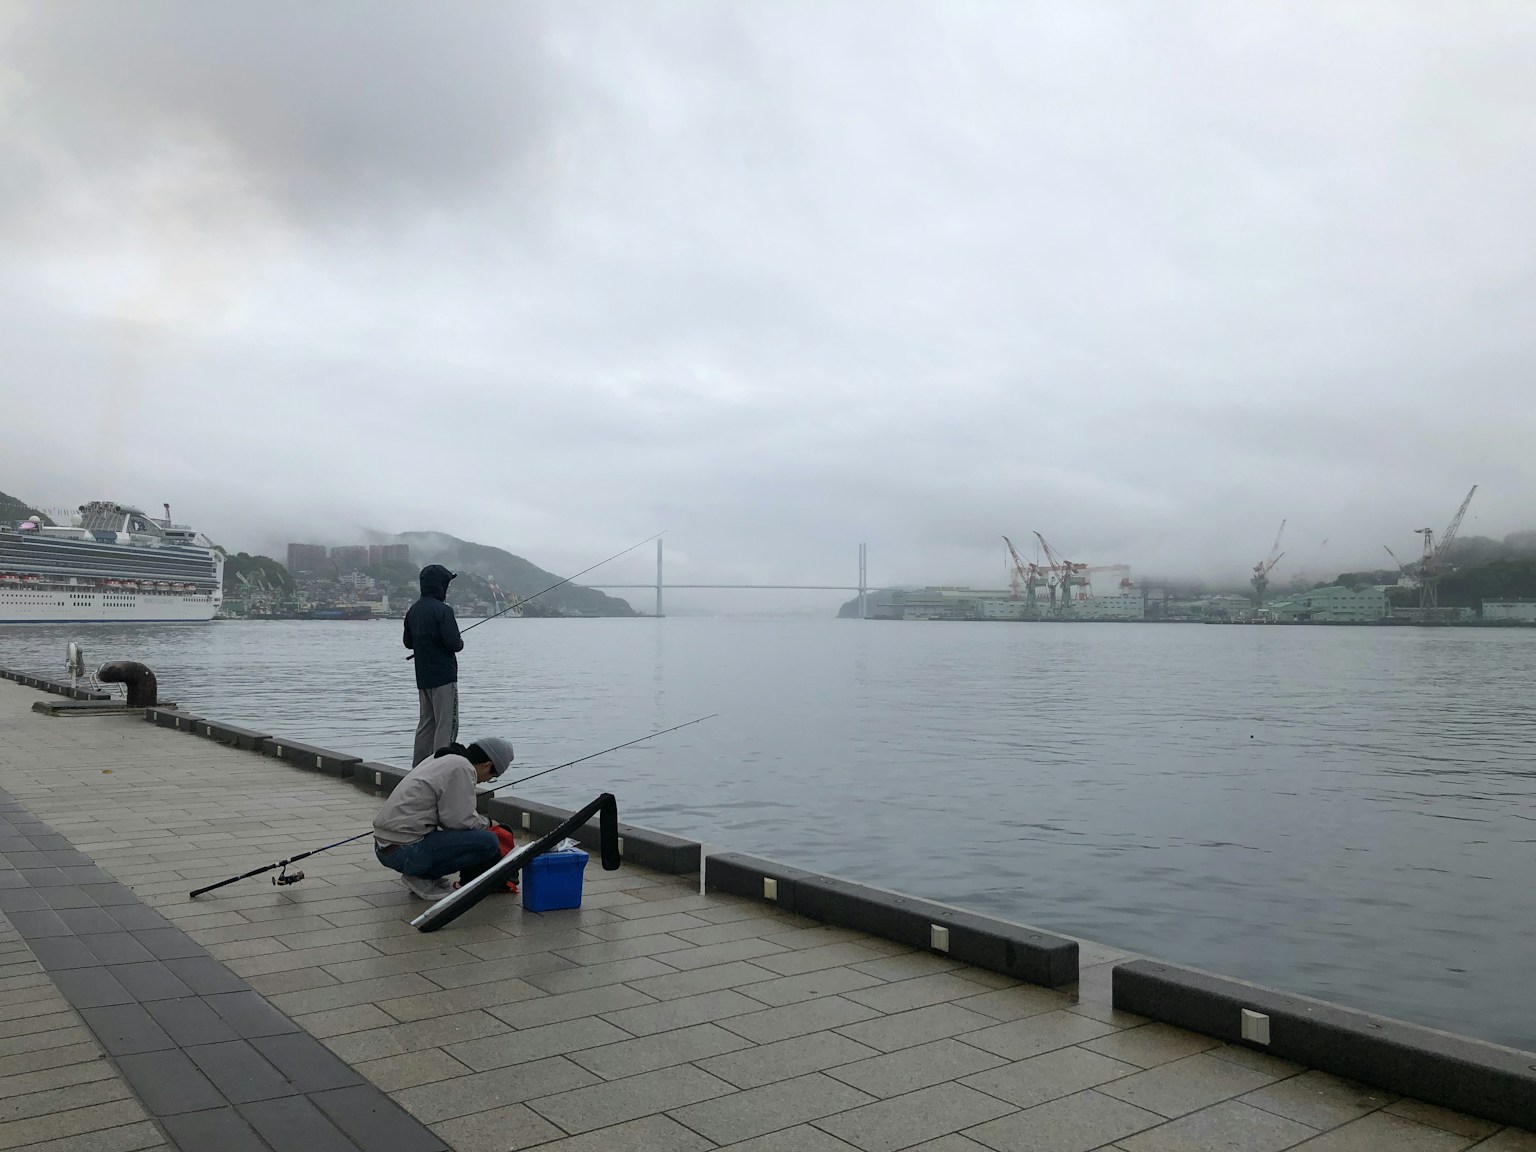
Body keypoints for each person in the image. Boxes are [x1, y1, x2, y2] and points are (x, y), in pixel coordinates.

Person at [373, 736, 515, 899]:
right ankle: (421, 876)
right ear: (487, 765)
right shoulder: (462, 768)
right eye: (491, 777)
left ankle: (423, 873)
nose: (485, 781)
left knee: (475, 836)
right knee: (488, 841)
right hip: (404, 850)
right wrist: (489, 823)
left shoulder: (443, 757)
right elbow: (459, 822)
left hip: (384, 845)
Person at [405, 564, 464, 766]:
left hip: (423, 677)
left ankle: (418, 770)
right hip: (444, 678)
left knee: (426, 725)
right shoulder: (444, 611)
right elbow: (455, 644)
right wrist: (459, 641)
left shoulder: (413, 610)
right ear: (441, 586)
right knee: (447, 726)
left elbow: (407, 643)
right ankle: (440, 771)